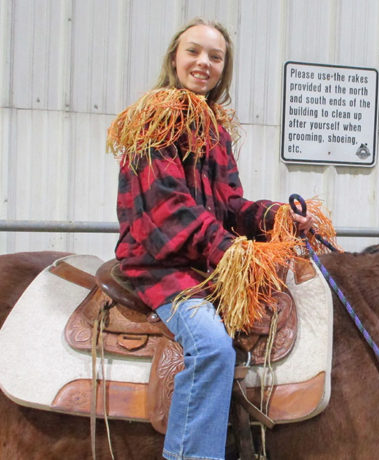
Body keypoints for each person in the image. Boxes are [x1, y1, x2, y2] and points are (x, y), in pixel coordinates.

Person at [107, 18, 314, 460]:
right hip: (162, 267)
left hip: (201, 262)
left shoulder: (214, 131)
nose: (203, 63)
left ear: (224, 68)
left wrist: (280, 218)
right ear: (174, 59)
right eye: (193, 52)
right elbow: (170, 210)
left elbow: (230, 206)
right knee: (213, 348)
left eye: (215, 57)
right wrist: (233, 254)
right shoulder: (153, 120)